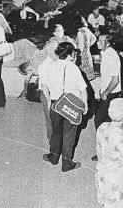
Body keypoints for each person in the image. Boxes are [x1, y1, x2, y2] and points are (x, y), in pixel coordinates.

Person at [39, 42, 88, 172]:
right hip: (71, 104)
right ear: (70, 54)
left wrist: (49, 101)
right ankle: (67, 164)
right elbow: (83, 90)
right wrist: (85, 105)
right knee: (69, 136)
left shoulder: (50, 66)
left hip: (56, 104)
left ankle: (53, 158)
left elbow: (46, 87)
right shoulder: (73, 68)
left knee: (56, 133)